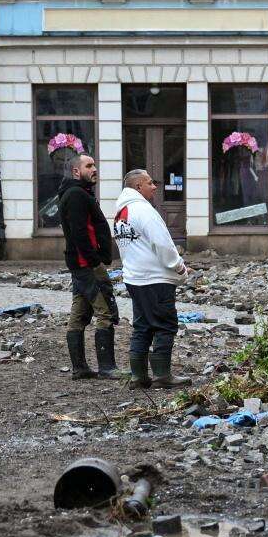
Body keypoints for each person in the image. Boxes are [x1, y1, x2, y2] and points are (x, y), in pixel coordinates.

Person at [110, 169, 188, 390]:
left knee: (142, 326)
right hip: (155, 278)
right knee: (165, 325)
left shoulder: (121, 212)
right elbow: (163, 243)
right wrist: (179, 267)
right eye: (150, 183)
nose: (154, 186)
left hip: (134, 278)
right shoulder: (144, 211)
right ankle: (162, 375)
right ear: (138, 187)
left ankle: (139, 375)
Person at [58, 153, 120, 380]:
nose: (95, 169)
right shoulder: (76, 195)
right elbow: (79, 233)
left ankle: (80, 368)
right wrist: (95, 260)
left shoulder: (77, 193)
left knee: (80, 311)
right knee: (105, 310)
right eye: (89, 166)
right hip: (86, 264)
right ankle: (107, 367)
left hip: (81, 263)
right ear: (76, 171)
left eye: (95, 165)